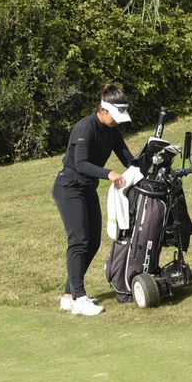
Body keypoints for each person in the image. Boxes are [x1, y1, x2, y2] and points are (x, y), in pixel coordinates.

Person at [51, 84, 137, 317]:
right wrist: (108, 173)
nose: (118, 122)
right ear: (104, 110)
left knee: (93, 243)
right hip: (68, 188)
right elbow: (80, 164)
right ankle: (79, 298)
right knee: (79, 241)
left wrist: (145, 167)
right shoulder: (85, 128)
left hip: (87, 189)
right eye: (115, 117)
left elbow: (127, 157)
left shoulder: (113, 130)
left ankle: (69, 296)